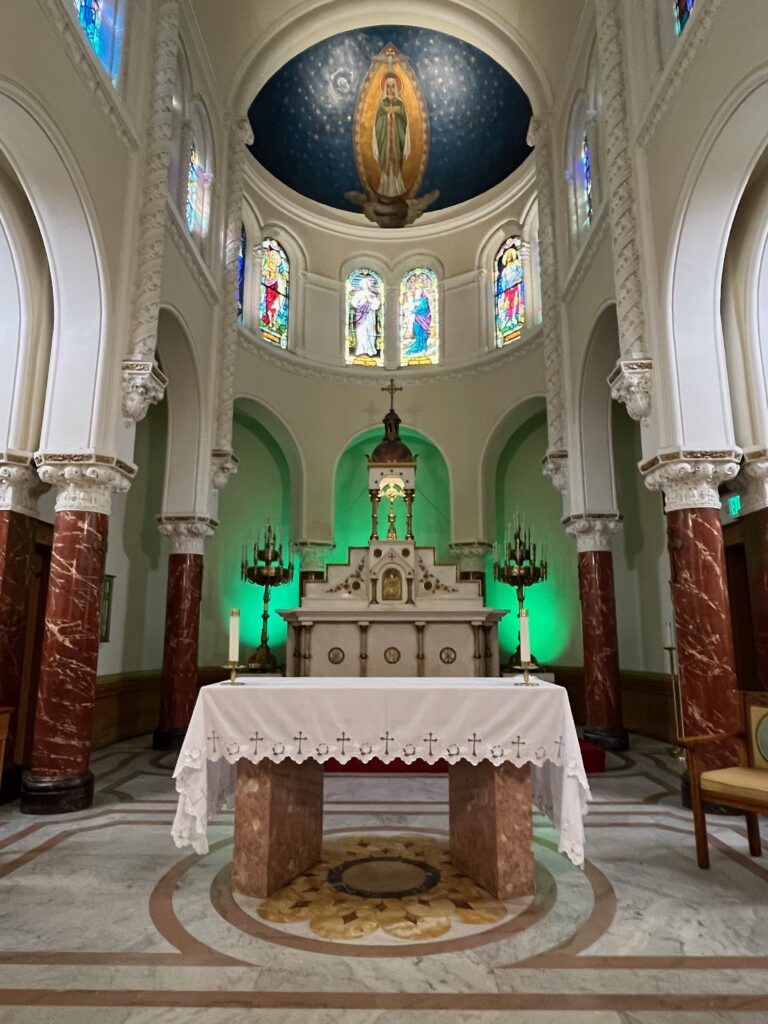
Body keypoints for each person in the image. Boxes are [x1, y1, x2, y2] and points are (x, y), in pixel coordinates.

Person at [372, 74, 410, 197]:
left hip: (396, 140)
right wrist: (386, 115)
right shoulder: (382, 104)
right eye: (388, 87)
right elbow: (377, 123)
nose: (390, 89)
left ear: (396, 88)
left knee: (396, 162)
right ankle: (384, 187)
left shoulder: (400, 104)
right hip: (385, 140)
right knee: (386, 163)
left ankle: (397, 187)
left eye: (393, 86)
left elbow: (404, 122)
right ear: (385, 88)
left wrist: (397, 112)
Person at [351, 274, 381, 358]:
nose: (364, 286)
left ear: (368, 285)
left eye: (366, 284)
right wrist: (362, 302)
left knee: (370, 331)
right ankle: (361, 349)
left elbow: (376, 304)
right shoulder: (359, 294)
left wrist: (370, 302)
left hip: (370, 315)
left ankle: (370, 349)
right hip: (361, 315)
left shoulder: (372, 294)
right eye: (363, 284)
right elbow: (354, 303)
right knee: (361, 331)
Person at [405, 286, 431, 357]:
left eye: (418, 290)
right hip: (417, 318)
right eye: (416, 290)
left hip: (423, 319)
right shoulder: (416, 300)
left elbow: (423, 307)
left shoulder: (424, 299)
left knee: (423, 332)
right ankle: (417, 345)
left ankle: (423, 347)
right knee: (416, 330)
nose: (417, 292)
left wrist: (415, 310)